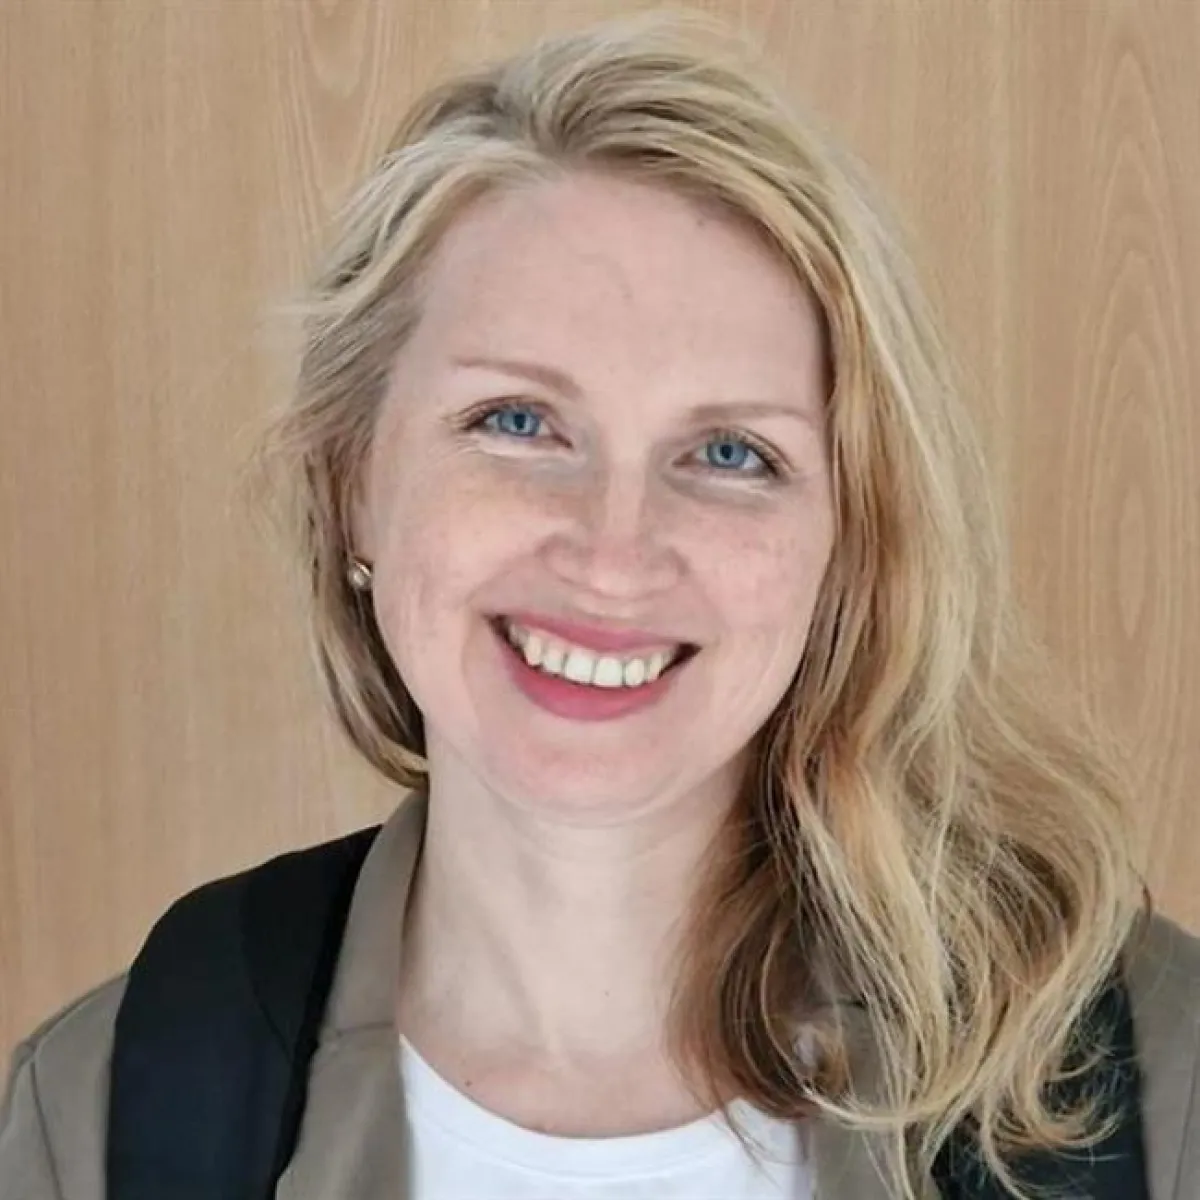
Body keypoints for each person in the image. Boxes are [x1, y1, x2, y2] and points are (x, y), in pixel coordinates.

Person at [2, 11, 1197, 1200]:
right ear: (352, 482)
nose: (614, 555)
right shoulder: (100, 1111)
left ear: (850, 541)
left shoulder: (1157, 1083)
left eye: (730, 453)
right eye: (518, 421)